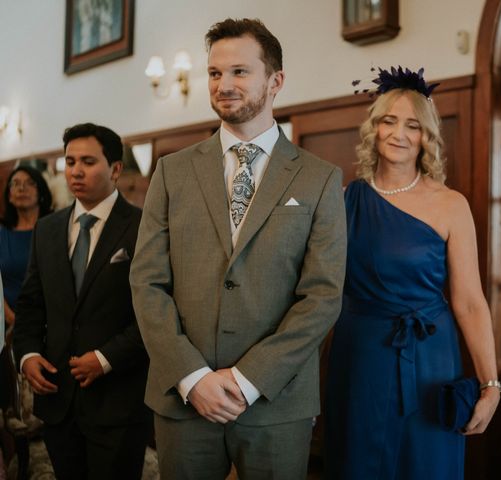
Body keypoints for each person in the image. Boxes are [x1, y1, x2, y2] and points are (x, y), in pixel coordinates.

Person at [130, 18, 346, 479]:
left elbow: (322, 296)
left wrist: (247, 381)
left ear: (276, 81)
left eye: (240, 72)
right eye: (214, 73)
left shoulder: (319, 178)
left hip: (276, 400)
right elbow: (147, 282)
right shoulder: (171, 172)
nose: (224, 84)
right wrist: (193, 377)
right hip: (183, 400)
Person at [324, 67, 501, 479]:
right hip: (359, 355)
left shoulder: (451, 204)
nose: (398, 133)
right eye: (389, 121)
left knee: (425, 463)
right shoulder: (346, 200)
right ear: (374, 127)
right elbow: (322, 291)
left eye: (413, 125)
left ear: (426, 137)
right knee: (358, 460)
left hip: (429, 358)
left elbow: (471, 302)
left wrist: (491, 385)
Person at [12, 123, 152, 480]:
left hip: (118, 400)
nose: (75, 170)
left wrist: (105, 359)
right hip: (58, 400)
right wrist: (27, 355)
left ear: (116, 169)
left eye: (88, 161)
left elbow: (156, 313)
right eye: (70, 160)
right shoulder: (48, 229)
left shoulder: (145, 226)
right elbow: (30, 304)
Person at [0, 166, 52, 412]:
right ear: (8, 194)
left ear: (41, 191)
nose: (21, 188)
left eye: (29, 183)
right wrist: (12, 318)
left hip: (52, 320)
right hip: (8, 321)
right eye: (15, 183)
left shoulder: (56, 228)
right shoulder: (2, 234)